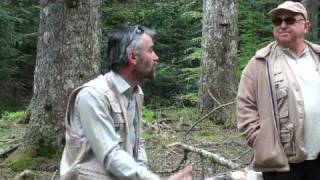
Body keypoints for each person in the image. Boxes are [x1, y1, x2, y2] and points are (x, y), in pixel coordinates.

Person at [60, 25, 192, 180]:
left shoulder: (135, 92)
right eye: (150, 50)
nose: (156, 57)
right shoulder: (93, 95)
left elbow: (138, 145)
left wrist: (144, 174)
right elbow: (110, 156)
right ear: (132, 58)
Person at [236, 1, 320, 180]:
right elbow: (245, 106)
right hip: (281, 166)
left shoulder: (317, 57)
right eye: (277, 21)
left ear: (305, 26)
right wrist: (261, 140)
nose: (282, 25)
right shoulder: (259, 63)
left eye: (289, 20)